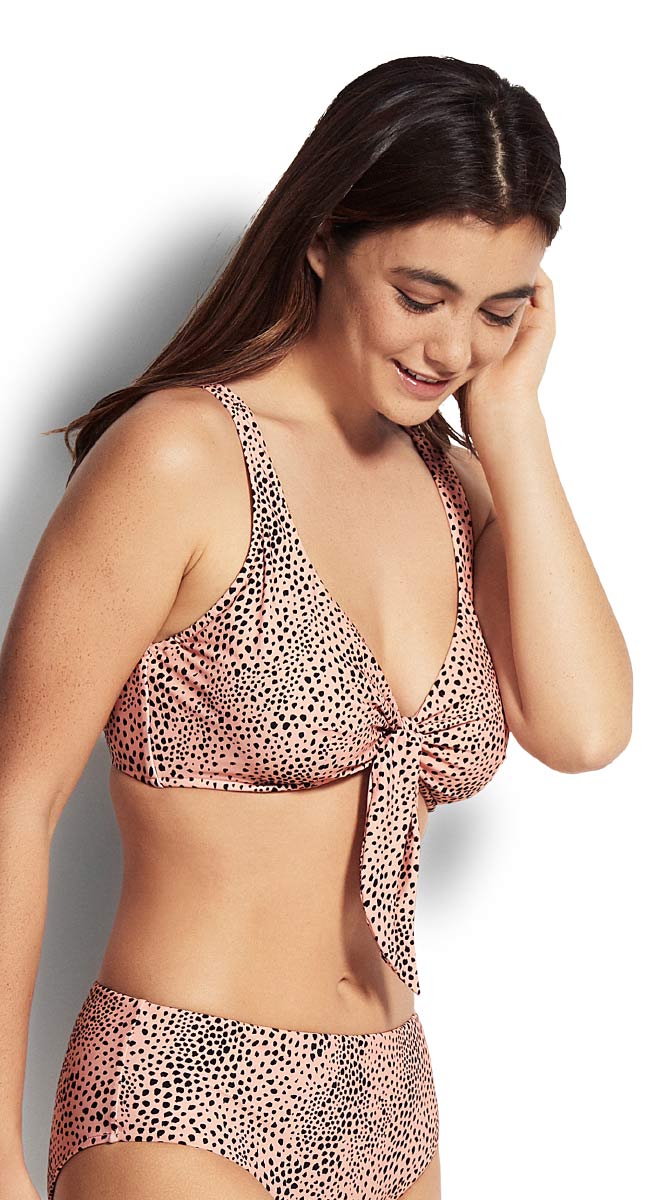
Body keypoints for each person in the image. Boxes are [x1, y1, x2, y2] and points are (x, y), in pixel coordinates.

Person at [0, 55, 632, 1200]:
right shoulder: (182, 457)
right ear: (324, 240)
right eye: (421, 296)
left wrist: (510, 418)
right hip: (182, 1087)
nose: (452, 349)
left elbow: (584, 731)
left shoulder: (457, 485)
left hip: (391, 1095)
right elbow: (14, 804)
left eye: (496, 311)